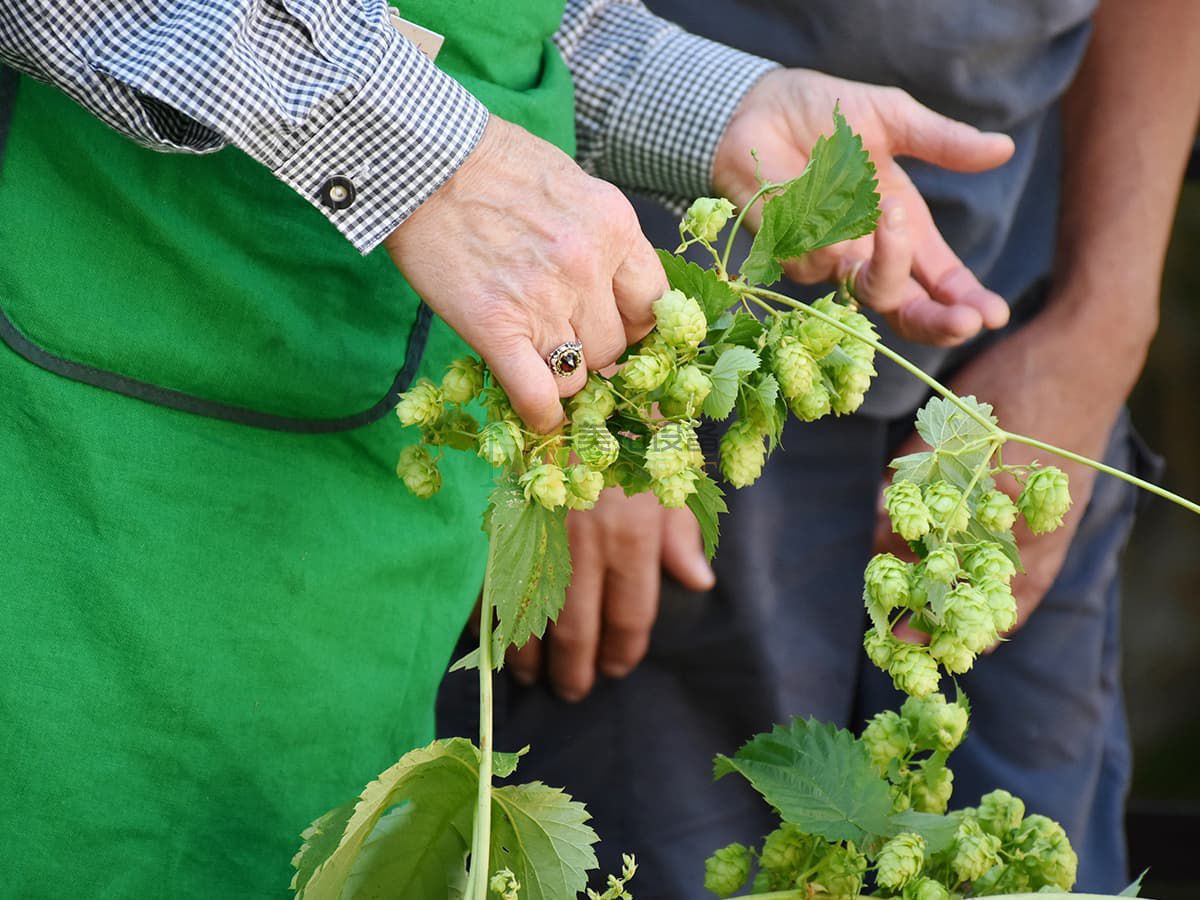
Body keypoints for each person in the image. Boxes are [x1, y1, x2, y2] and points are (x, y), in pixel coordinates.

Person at [0, 0, 1018, 894]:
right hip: (95, 470)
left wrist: (715, 106)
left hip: (358, 515)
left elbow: (502, 16)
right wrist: (424, 155)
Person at [438, 1, 1200, 896]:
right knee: (662, 854)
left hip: (1023, 354)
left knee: (1022, 856)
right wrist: (586, 396)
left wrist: (1101, 326)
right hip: (659, 360)